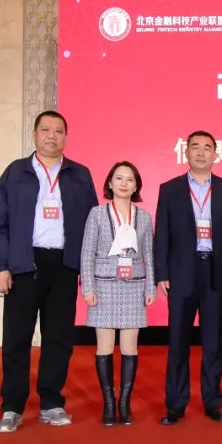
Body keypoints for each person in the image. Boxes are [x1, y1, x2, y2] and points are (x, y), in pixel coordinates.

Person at [0, 110, 98, 433]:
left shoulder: (79, 174)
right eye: (46, 130)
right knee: (16, 338)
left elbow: (93, 225)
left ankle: (51, 402)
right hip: (24, 265)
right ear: (34, 134)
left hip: (64, 264)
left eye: (58, 131)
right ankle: (12, 406)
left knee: (58, 338)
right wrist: (0, 266)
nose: (52, 136)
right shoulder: (16, 172)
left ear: (66, 137)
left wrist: (88, 269)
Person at [156, 131, 222, 425]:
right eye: (195, 147)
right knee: (178, 341)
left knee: (213, 342)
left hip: (216, 273)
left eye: (207, 148)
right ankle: (176, 404)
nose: (201, 152)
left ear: (215, 154)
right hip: (181, 273)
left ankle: (213, 402)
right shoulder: (170, 189)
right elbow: (162, 233)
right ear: (186, 153)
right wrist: (162, 273)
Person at [80, 162, 156, 426]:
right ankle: (108, 403)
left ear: (136, 186)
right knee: (104, 346)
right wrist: (88, 287)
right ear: (110, 183)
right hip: (103, 285)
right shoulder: (97, 214)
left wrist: (150, 286)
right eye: (119, 178)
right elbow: (87, 252)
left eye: (130, 179)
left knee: (129, 347)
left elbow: (149, 254)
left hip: (134, 285)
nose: (124, 183)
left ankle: (124, 402)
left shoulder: (143, 216)